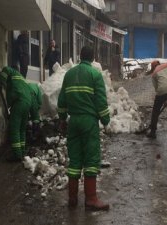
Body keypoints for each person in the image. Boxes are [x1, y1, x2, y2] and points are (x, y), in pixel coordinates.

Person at [57, 46, 110, 210]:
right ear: (93, 58)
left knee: (75, 160)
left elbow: (62, 100)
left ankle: (72, 198)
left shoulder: (69, 74)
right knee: (91, 159)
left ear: (80, 57)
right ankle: (91, 199)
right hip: (89, 122)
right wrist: (105, 119)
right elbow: (100, 100)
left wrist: (62, 118)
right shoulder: (95, 74)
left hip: (73, 122)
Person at [0, 66, 32, 161]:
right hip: (27, 103)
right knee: (22, 129)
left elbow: (6, 69)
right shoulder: (21, 79)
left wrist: (1, 80)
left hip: (19, 102)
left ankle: (17, 155)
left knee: (14, 129)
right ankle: (22, 151)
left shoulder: (12, 72)